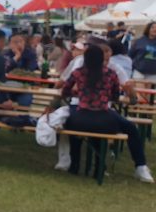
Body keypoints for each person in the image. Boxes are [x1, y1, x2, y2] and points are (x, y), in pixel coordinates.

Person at [61, 45, 153, 182]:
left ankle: (74, 165)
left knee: (71, 123)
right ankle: (139, 166)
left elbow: (65, 91)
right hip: (104, 120)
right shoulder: (111, 73)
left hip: (80, 119)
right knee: (130, 128)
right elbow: (115, 96)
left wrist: (78, 93)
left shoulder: (78, 72)